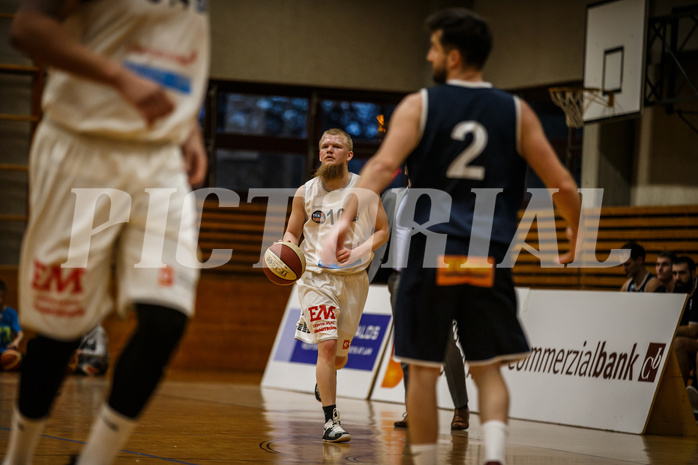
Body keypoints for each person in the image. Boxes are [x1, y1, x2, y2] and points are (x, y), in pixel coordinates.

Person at [331, 9, 581, 465]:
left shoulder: (420, 105)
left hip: (430, 256)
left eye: (433, 47)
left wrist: (347, 215)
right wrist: (575, 230)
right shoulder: (516, 110)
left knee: (422, 372)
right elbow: (562, 183)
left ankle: (425, 459)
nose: (428, 54)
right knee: (488, 369)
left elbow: (383, 168)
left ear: (453, 55)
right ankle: (496, 457)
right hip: (485, 256)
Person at [5, 1, 208, 464]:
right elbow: (28, 27)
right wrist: (119, 77)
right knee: (61, 331)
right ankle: (18, 456)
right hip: (83, 149)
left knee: (167, 318)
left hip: (158, 159)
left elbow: (170, 50)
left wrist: (188, 123)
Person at [282, 128, 389, 443]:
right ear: (319, 153)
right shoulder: (305, 192)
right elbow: (292, 232)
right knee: (326, 347)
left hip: (354, 280)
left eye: (337, 146)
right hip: (316, 278)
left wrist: (356, 252)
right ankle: (331, 420)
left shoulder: (365, 190)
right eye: (325, 146)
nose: (329, 150)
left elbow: (382, 231)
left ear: (349, 154)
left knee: (339, 356)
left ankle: (324, 382)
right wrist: (284, 248)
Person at [368, 185, 470, 431]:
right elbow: (378, 230)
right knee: (405, 346)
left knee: (445, 345)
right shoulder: (392, 196)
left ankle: (461, 408)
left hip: (434, 278)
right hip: (399, 279)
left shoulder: (446, 195)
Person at [671, 256, 698, 386]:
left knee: (678, 343)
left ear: (693, 273)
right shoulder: (677, 290)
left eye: (682, 273)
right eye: (674, 273)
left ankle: (684, 393)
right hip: (694, 341)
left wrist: (668, 329)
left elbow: (693, 331)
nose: (677, 277)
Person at [0, 280, 24, 354]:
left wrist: (16, 342)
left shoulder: (11, 313)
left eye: (2, 297)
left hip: (6, 353)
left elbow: (20, 333)